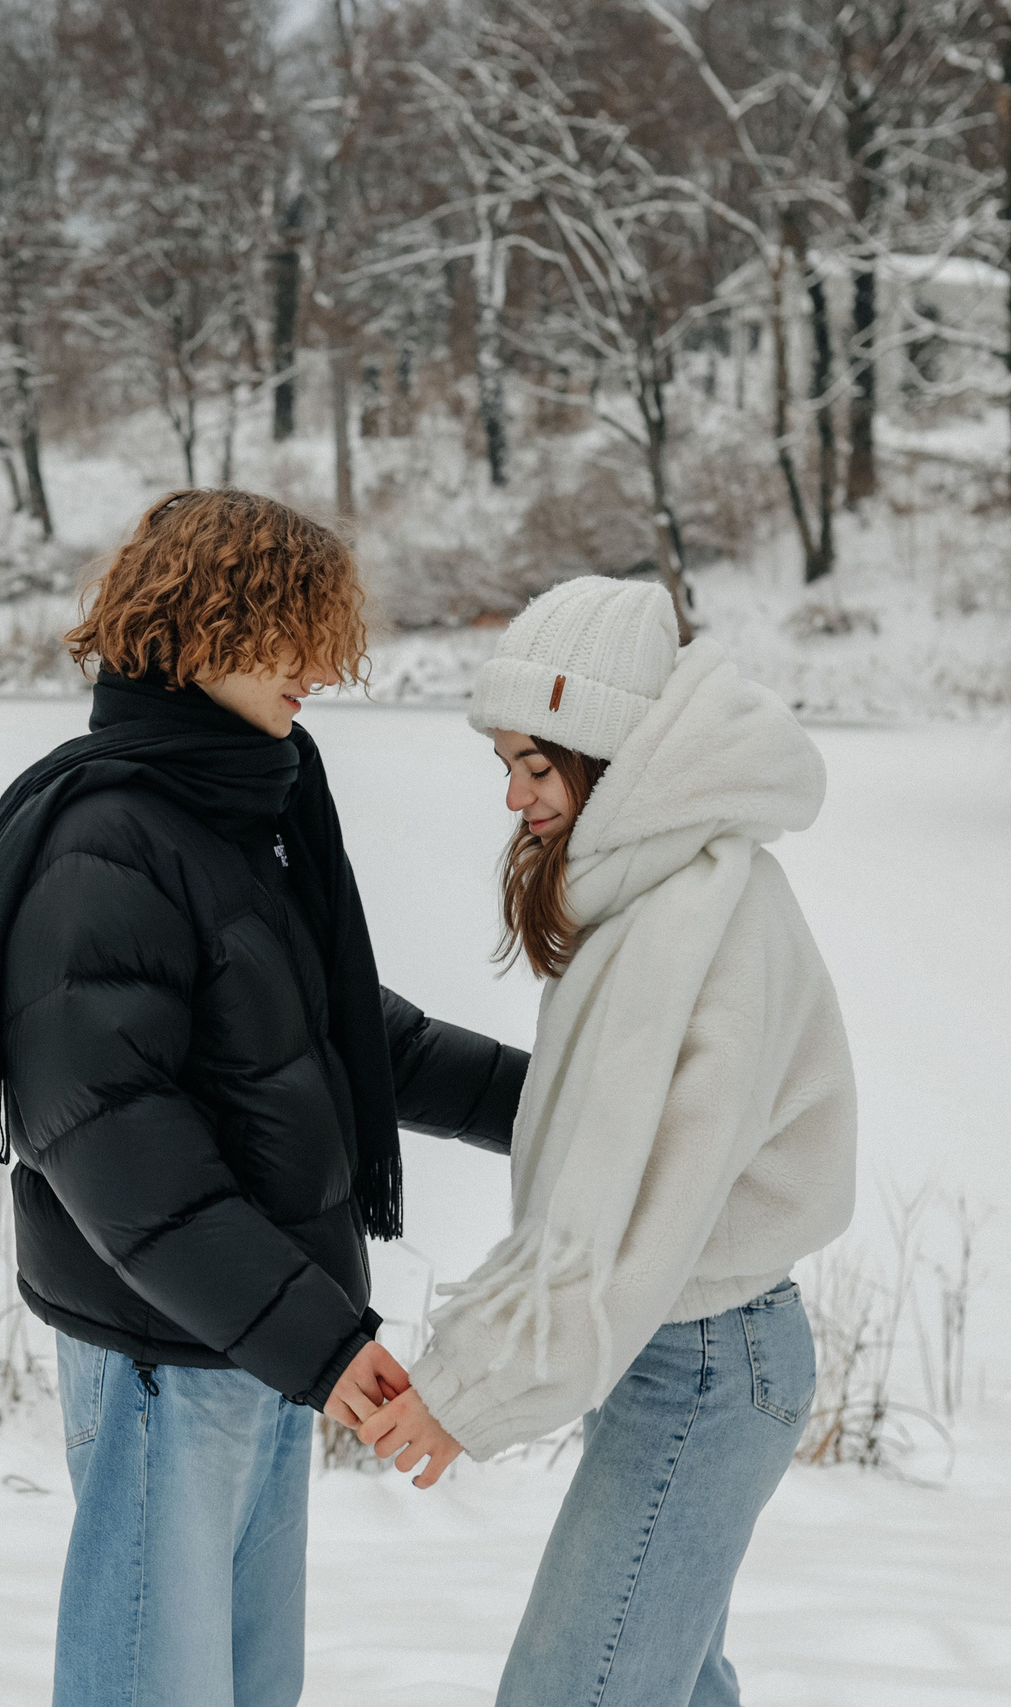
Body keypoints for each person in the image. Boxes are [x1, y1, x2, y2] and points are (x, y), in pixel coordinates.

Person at [0, 488, 525, 1707]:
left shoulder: (239, 813)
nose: (320, 668)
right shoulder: (107, 840)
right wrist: (313, 1338)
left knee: (249, 1688)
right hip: (173, 1343)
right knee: (157, 1683)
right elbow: (111, 1140)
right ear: (200, 628)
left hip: (260, 1334)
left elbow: (344, 1034)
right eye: (290, 631)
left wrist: (554, 1102)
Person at [357, 575, 857, 1707]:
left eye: (537, 768)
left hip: (702, 1361)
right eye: (505, 768)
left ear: (612, 758)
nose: (514, 799)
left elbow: (625, 1209)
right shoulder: (667, 887)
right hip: (692, 1347)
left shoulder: (686, 916)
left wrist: (465, 1388)